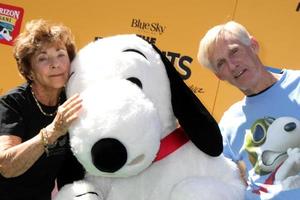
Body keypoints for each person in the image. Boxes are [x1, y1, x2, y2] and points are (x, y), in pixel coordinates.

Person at [197, 21, 300, 199]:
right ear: (219, 76)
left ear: (253, 46)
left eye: (234, 51)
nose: (232, 65)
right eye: (221, 63)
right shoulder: (230, 122)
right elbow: (216, 177)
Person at [0, 19, 85, 200]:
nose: (55, 64)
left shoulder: (71, 99)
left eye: (60, 54)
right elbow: (5, 165)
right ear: (29, 71)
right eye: (43, 58)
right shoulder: (12, 103)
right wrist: (53, 131)